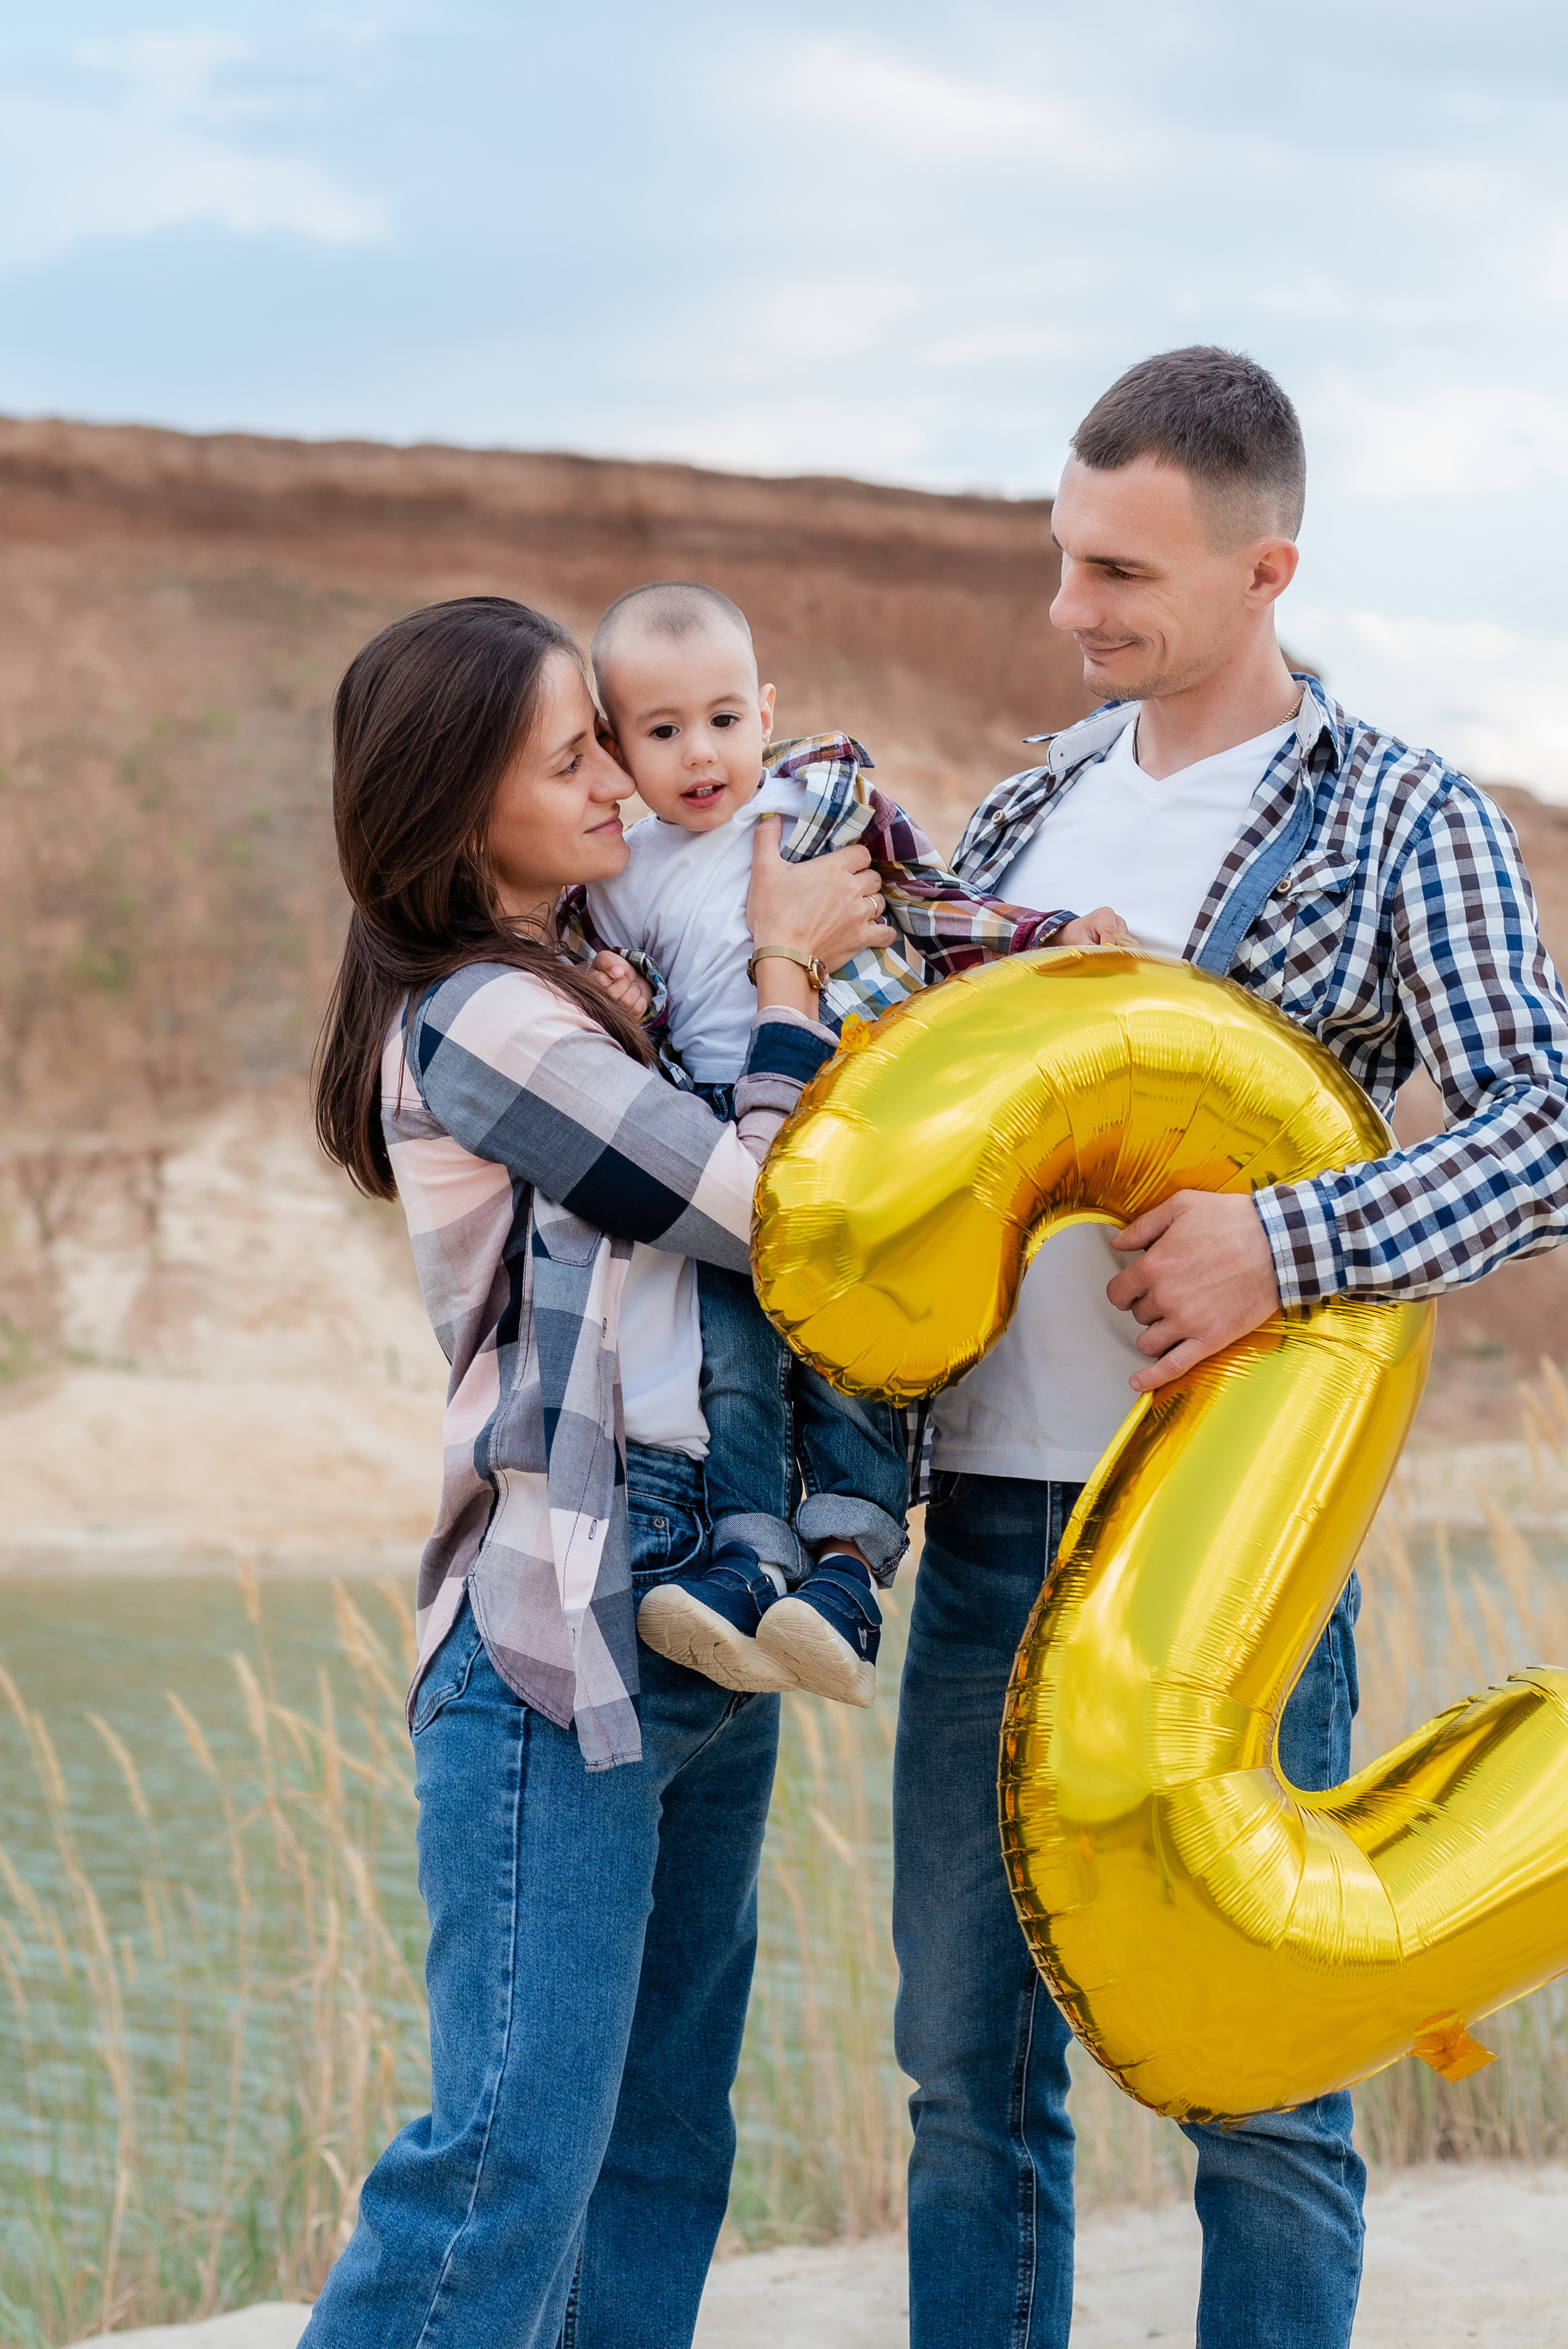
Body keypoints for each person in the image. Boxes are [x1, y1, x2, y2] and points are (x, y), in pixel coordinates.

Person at [894, 346, 1568, 2348]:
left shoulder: (1406, 820)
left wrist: (1290, 1237)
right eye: (1063, 559)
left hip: (1230, 1572)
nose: (1071, 609)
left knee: (1263, 2093)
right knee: (959, 2078)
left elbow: (1548, 1120)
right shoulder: (1015, 813)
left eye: (1123, 574)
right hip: (991, 1527)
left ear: (1267, 569)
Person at [301, 594, 888, 2348]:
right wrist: (786, 968)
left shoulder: (599, 979)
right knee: (504, 2161)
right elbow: (760, 1208)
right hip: (557, 1615)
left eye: (612, 744)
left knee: (658, 2146)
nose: (626, 785)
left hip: (706, 1575)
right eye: (576, 758)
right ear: (457, 809)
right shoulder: (484, 1022)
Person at [571, 578, 1125, 1706]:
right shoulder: (618, 877)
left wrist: (1052, 936)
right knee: (736, 1358)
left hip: (860, 1122)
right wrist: (622, 998)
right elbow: (633, 1022)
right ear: (617, 747)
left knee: (848, 1364)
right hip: (727, 1149)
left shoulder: (815, 804)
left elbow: (928, 902)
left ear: (766, 712)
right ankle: (747, 1557)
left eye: (724, 719)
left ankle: (846, 1573)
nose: (701, 753)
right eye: (663, 731)